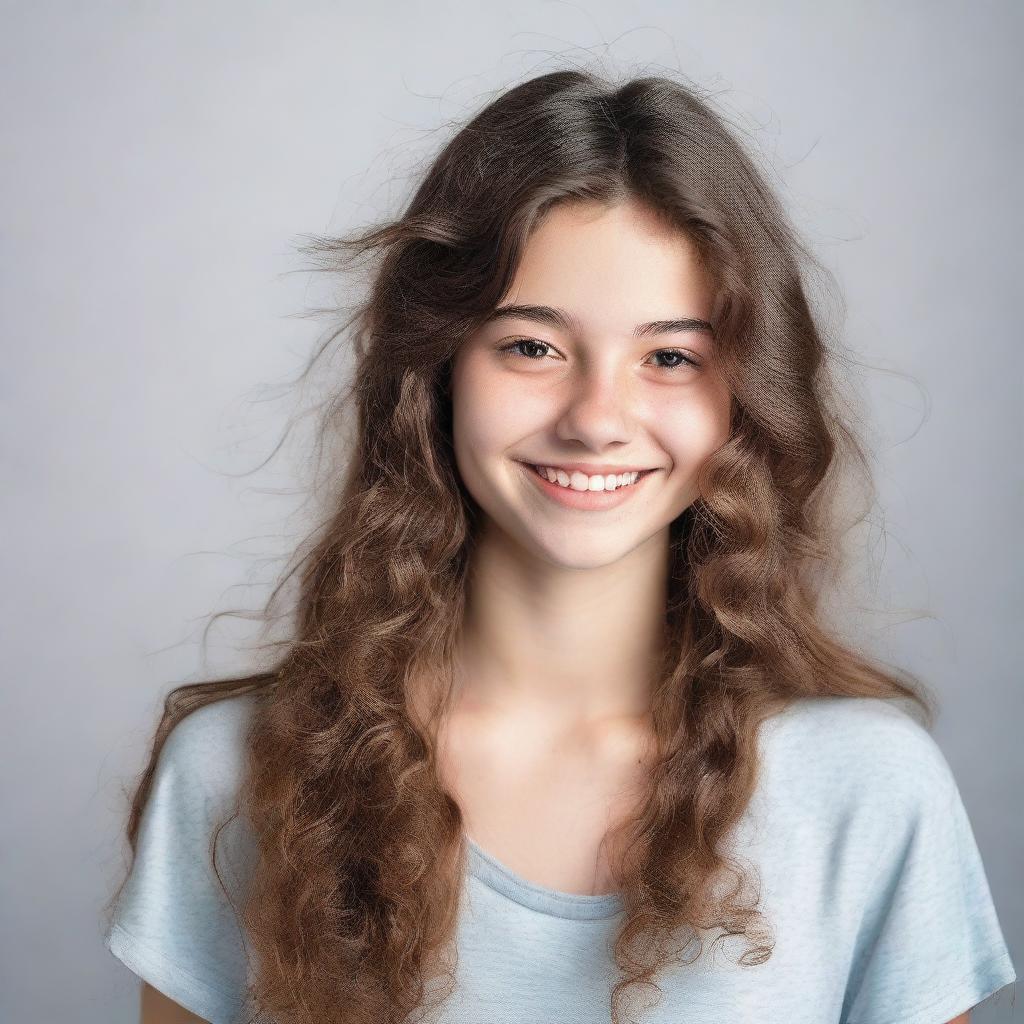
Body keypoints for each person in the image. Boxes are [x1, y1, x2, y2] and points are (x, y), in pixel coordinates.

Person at [102, 68, 1016, 1024]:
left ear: (745, 396)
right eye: (532, 346)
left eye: (671, 358)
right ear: (438, 368)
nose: (597, 420)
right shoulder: (239, 773)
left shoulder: (869, 791)